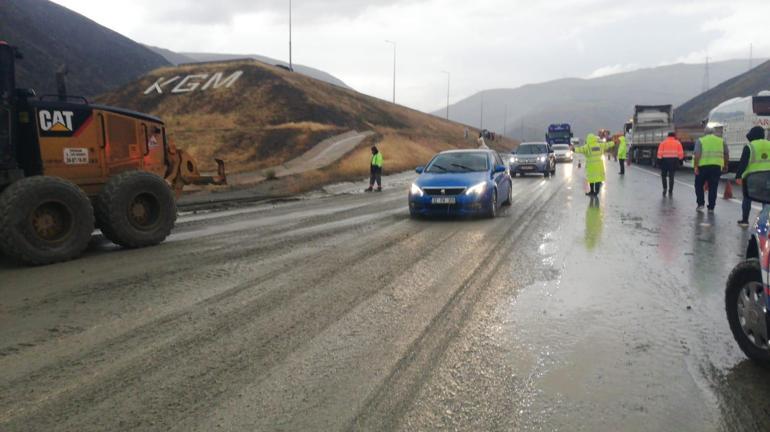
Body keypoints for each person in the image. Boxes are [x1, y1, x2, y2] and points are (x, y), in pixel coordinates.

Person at [735, 126, 770, 227]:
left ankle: (745, 220)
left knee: (747, 198)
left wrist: (738, 176)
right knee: (766, 200)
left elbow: (743, 163)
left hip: (752, 178)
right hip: (768, 177)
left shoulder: (750, 146)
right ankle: (764, 220)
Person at [693, 127, 728, 213]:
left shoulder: (700, 140)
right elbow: (726, 153)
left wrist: (696, 166)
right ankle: (711, 207)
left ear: (705, 133)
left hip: (703, 167)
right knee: (713, 187)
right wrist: (725, 165)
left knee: (698, 185)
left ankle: (700, 204)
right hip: (716, 166)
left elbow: (697, 154)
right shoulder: (721, 141)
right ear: (714, 133)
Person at [657, 132, 684, 196]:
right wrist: (680, 160)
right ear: (674, 136)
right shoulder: (678, 143)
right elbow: (681, 153)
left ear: (667, 136)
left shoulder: (663, 143)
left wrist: (659, 161)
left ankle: (664, 188)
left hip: (664, 161)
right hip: (674, 161)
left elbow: (659, 153)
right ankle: (670, 190)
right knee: (671, 176)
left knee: (663, 176)